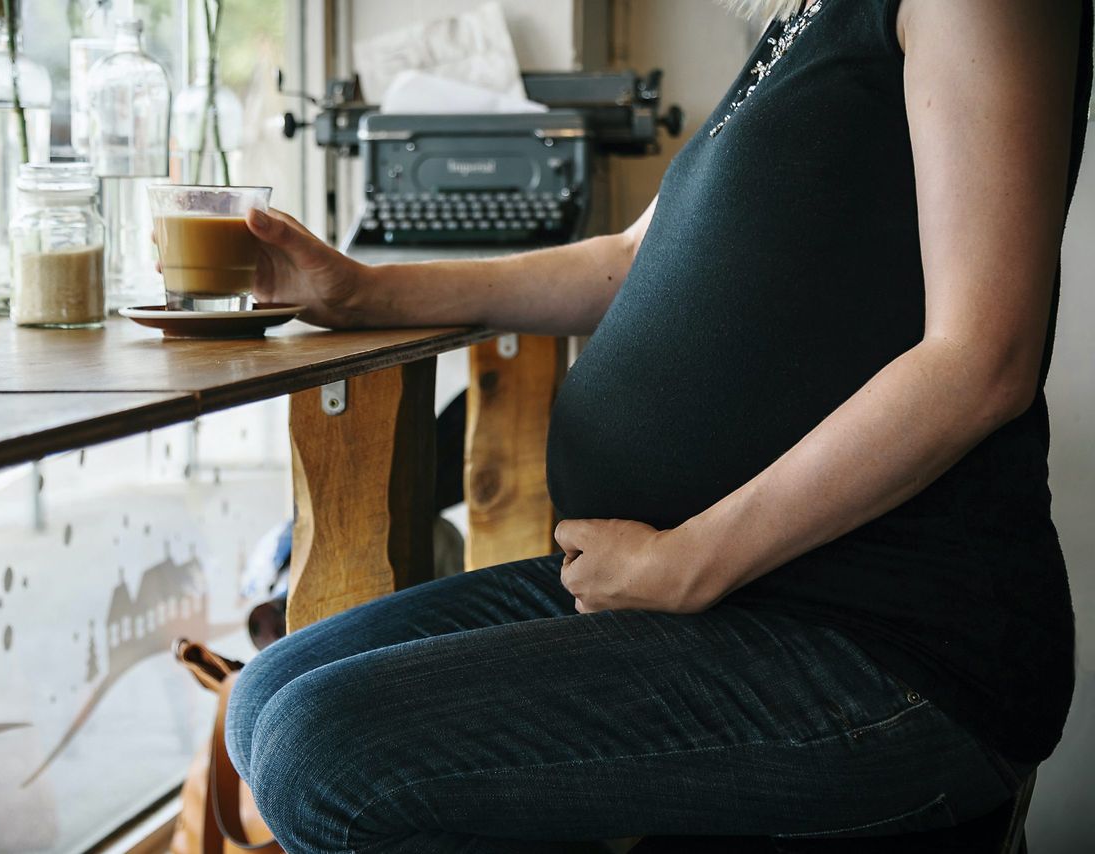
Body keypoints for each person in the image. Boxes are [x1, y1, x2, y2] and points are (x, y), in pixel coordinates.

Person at [223, 0, 1091, 850]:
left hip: (877, 637)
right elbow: (630, 258)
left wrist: (690, 562)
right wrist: (363, 290)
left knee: (319, 755)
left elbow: (983, 361)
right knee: (264, 697)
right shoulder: (802, 24)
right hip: (715, 594)